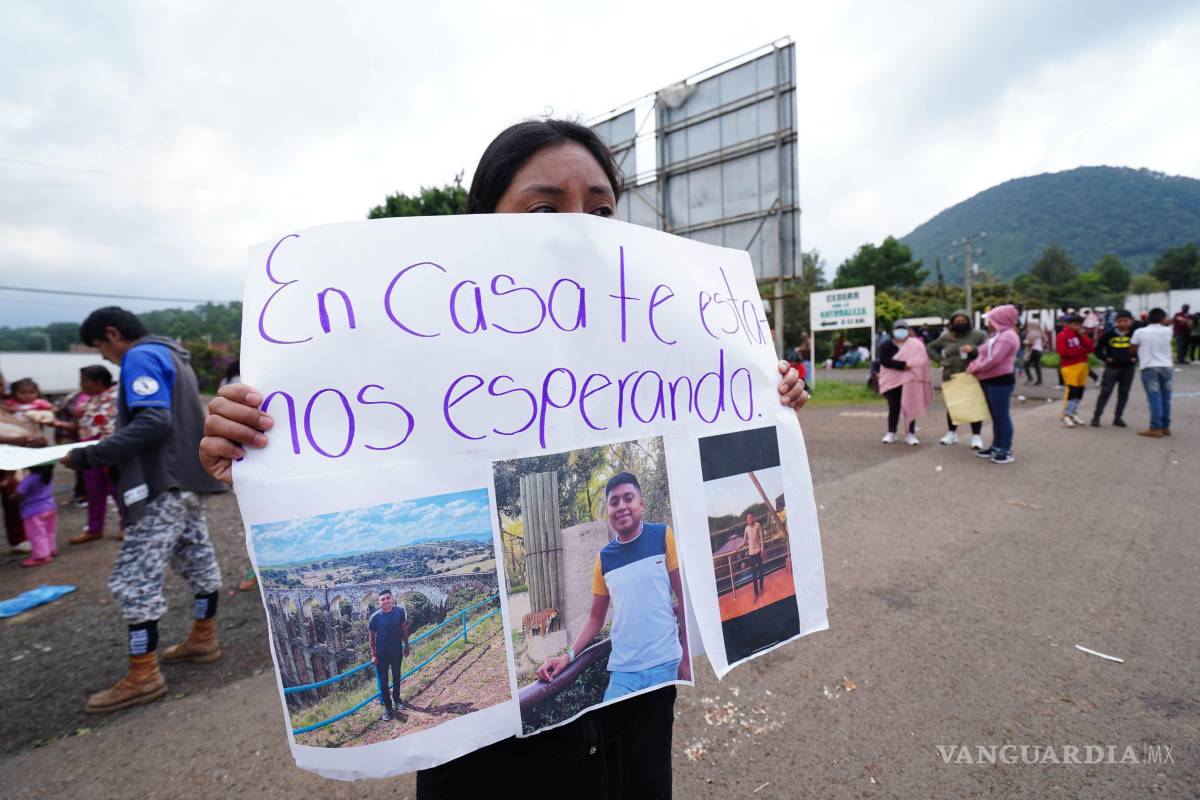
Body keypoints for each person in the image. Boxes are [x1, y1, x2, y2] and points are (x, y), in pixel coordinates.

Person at [198, 117, 809, 799]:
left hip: (635, 726)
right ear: (480, 226)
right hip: (492, 763)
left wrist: (766, 395)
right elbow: (328, 444)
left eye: (602, 209)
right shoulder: (413, 351)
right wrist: (256, 450)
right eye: (545, 208)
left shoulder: (656, 341)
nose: (580, 227)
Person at [63, 307, 227, 714]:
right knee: (198, 560)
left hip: (161, 482)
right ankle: (203, 638)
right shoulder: (175, 355)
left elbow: (153, 420)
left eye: (102, 348)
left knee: (134, 579)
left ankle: (143, 674)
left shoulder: (141, 356)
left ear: (113, 334)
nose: (106, 358)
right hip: (189, 480)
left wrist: (90, 454)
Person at [537, 472, 690, 701]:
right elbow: (595, 620)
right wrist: (567, 656)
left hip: (665, 664)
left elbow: (684, 599)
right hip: (623, 673)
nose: (621, 507)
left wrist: (686, 660)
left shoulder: (662, 535)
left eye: (628, 498)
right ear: (608, 510)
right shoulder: (604, 559)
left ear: (641, 503)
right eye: (614, 502)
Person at [58, 366, 123, 544]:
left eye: (84, 381)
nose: (81, 385)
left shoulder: (117, 397)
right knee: (93, 490)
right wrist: (56, 423)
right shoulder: (87, 400)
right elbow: (80, 426)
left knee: (115, 489)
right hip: (88, 450)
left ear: (99, 382)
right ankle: (94, 529)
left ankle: (126, 526)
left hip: (108, 450)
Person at [966, 304, 1020, 464]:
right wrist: (974, 366)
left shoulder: (1007, 337)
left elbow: (994, 359)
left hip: (1000, 381)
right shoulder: (998, 335)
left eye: (991, 319)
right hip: (989, 380)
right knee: (996, 416)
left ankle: (1005, 449)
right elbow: (984, 354)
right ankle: (996, 446)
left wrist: (975, 368)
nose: (988, 323)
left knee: (1002, 416)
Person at [926, 309, 987, 448]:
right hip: (951, 374)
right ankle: (951, 434)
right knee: (953, 405)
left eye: (963, 321)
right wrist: (940, 360)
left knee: (974, 405)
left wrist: (973, 349)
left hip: (971, 374)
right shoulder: (947, 337)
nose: (960, 323)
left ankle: (976, 436)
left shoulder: (978, 335)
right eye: (957, 321)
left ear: (968, 321)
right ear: (952, 323)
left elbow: (987, 350)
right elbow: (930, 347)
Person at [877, 320, 933, 445]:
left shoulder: (915, 344)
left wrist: (910, 366)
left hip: (911, 379)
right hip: (892, 380)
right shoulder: (886, 345)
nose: (900, 331)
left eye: (903, 328)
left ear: (908, 330)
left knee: (910, 405)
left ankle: (910, 433)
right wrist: (903, 365)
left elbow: (921, 360)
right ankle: (891, 432)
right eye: (898, 328)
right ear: (893, 331)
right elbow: (884, 360)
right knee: (894, 406)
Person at [1131, 308, 1174, 437]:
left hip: (1149, 365)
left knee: (1154, 397)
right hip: (1166, 366)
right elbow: (1168, 325)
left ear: (1148, 319)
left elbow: (1133, 347)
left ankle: (1156, 427)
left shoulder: (1140, 332)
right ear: (1163, 318)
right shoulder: (1168, 330)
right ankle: (1165, 426)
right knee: (1166, 398)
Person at [369, 588, 411, 721]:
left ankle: (397, 699)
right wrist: (373, 654)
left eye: (388, 598)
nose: (386, 601)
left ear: (392, 599)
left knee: (397, 676)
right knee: (383, 682)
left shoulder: (399, 611)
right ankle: (388, 707)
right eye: (383, 599)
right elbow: (371, 638)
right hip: (381, 654)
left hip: (397, 650)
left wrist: (407, 645)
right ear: (379, 602)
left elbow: (404, 627)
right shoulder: (375, 617)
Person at [1090, 311, 1136, 428]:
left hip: (1128, 368)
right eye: (1119, 321)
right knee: (1105, 392)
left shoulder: (1135, 335)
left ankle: (1118, 417)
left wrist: (1136, 358)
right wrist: (1105, 358)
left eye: (1125, 320)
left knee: (1124, 393)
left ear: (1131, 321)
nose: (1122, 323)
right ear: (1115, 322)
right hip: (1112, 368)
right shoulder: (1108, 335)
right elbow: (1097, 350)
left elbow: (1142, 348)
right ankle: (1096, 417)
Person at [12, 463, 58, 566]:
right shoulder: (47, 476)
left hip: (33, 511)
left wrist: (12, 497)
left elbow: (19, 495)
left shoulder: (29, 479)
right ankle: (51, 549)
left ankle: (41, 556)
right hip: (50, 507)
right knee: (49, 531)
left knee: (36, 534)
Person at [1055, 314, 1094, 428]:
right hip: (1070, 366)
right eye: (1074, 324)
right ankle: (1065, 415)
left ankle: (1073, 413)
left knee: (1079, 391)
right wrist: (1080, 351)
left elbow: (1090, 348)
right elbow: (1063, 352)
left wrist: (1083, 337)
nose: (1077, 327)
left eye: (1079, 324)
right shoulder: (1062, 335)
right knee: (1071, 391)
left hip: (1082, 365)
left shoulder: (1080, 335)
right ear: (1068, 324)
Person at [742, 512, 765, 603]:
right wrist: (738, 547)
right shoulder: (746, 529)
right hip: (751, 554)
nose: (750, 519)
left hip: (758, 551)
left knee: (761, 571)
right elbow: (744, 540)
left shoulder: (758, 525)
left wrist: (762, 548)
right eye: (748, 518)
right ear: (747, 520)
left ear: (753, 518)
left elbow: (761, 537)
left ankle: (761, 587)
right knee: (754, 574)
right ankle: (755, 593)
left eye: (751, 517)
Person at [1022, 319, 1045, 385]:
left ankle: (1030, 378)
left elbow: (1031, 343)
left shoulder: (1032, 332)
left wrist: (1024, 342)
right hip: (1039, 350)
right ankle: (1039, 380)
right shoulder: (1039, 332)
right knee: (1037, 366)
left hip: (1033, 350)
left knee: (1025, 365)